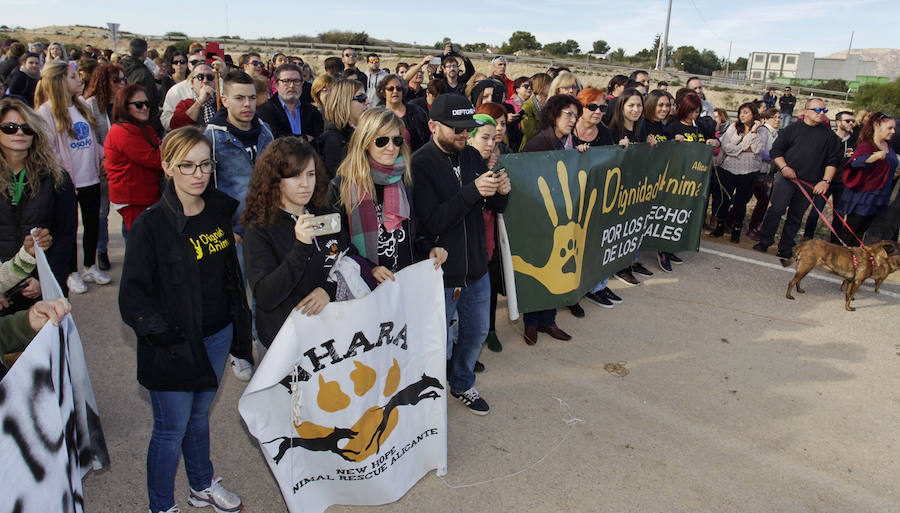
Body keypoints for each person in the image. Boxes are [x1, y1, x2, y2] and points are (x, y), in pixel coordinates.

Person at [119, 127, 249, 513]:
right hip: (173, 343)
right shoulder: (150, 225)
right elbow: (133, 297)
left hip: (217, 334)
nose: (198, 174)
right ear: (167, 166)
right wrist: (164, 338)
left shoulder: (219, 211)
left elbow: (225, 274)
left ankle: (200, 485)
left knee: (198, 417)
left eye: (205, 165)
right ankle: (161, 506)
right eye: (187, 165)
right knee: (170, 428)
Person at [412, 94, 509, 415]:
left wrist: (502, 193)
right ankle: (429, 393)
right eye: (456, 129)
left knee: (477, 331)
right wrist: (471, 192)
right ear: (432, 126)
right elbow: (432, 222)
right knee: (436, 341)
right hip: (441, 274)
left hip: (477, 269)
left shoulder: (470, 157)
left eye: (467, 128)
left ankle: (462, 383)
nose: (464, 135)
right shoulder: (420, 164)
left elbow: (493, 207)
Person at [242, 137, 365, 348]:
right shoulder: (259, 228)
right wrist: (301, 248)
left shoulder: (325, 215)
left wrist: (329, 289)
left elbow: (350, 257)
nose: (305, 184)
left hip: (329, 334)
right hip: (284, 342)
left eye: (310, 174)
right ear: (275, 179)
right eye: (295, 176)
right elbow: (265, 296)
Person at [34, 61, 111, 293]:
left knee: (93, 223)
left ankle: (89, 266)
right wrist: (65, 180)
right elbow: (48, 151)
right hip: (67, 182)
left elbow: (91, 141)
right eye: (72, 76)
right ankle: (71, 273)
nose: (79, 80)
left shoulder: (82, 106)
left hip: (91, 178)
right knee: (68, 228)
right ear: (59, 82)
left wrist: (101, 156)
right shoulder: (45, 113)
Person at [0, 98, 77, 302]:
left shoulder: (56, 177)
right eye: (9, 127)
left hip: (44, 287)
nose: (19, 133)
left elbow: (65, 235)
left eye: (27, 128)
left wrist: (43, 279)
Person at [753, 98, 842, 258]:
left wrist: (825, 181)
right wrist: (784, 167)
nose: (821, 113)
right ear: (806, 111)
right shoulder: (791, 129)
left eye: (824, 111)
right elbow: (776, 151)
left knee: (796, 215)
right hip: (787, 178)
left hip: (809, 183)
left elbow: (833, 161)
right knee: (776, 209)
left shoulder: (830, 136)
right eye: (817, 110)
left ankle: (785, 246)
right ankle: (764, 241)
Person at [83, 63, 126, 270]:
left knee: (127, 208)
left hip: (122, 166)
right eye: (116, 80)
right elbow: (89, 137)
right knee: (101, 213)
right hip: (101, 167)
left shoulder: (125, 103)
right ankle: (101, 250)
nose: (121, 84)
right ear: (104, 82)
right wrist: (105, 157)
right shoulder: (90, 105)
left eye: (123, 80)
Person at [104, 84, 162, 231]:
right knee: (141, 247)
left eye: (147, 104)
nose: (144, 107)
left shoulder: (143, 128)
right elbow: (156, 159)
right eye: (138, 104)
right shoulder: (122, 132)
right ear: (124, 106)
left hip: (145, 197)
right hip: (134, 200)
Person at [835, 112, 896, 244]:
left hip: (880, 195)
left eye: (893, 128)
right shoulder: (867, 145)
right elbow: (854, 162)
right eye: (889, 128)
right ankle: (842, 258)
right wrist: (872, 158)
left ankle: (855, 260)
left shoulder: (888, 146)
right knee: (851, 231)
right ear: (876, 126)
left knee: (861, 233)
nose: (893, 131)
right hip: (864, 196)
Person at [713, 102, 768, 243]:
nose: (742, 115)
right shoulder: (734, 126)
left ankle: (736, 230)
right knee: (724, 199)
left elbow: (757, 149)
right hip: (729, 168)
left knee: (741, 202)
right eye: (741, 112)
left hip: (749, 171)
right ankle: (719, 226)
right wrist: (743, 149)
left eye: (745, 112)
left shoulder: (761, 131)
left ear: (753, 114)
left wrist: (754, 131)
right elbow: (725, 145)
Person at [800, 110, 854, 241]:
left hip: (843, 184)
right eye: (848, 121)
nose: (851, 123)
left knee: (839, 215)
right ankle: (807, 238)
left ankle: (835, 243)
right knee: (815, 212)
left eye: (853, 121)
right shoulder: (828, 137)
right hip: (824, 181)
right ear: (838, 122)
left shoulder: (854, 141)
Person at [257, 63, 324, 141]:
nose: (292, 85)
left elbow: (319, 138)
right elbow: (272, 136)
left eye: (296, 81)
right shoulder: (265, 110)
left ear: (302, 83)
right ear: (276, 84)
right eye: (286, 81)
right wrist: (304, 138)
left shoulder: (312, 111)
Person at [319, 78, 368, 178]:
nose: (367, 101)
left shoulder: (353, 131)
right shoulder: (332, 139)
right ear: (344, 101)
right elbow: (340, 179)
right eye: (361, 98)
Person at [118, 38, 163, 134]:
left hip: (122, 119)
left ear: (130, 51)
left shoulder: (119, 68)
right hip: (141, 125)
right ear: (145, 53)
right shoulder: (144, 74)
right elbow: (149, 101)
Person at [376, 74, 429, 152]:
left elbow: (426, 140)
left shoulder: (417, 112)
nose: (395, 91)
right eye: (390, 89)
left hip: (415, 160)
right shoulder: (377, 116)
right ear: (383, 92)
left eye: (399, 88)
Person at [170, 62, 218, 130]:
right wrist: (200, 102)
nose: (205, 81)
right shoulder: (185, 104)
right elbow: (176, 127)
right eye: (200, 77)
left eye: (209, 77)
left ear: (215, 81)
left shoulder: (223, 102)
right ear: (193, 83)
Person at [517, 72, 552, 150]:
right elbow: (529, 132)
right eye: (549, 84)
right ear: (541, 86)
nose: (552, 87)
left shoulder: (550, 105)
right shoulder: (527, 106)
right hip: (530, 149)